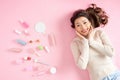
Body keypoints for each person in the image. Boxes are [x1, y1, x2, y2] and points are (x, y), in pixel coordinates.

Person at [70, 3, 120, 80]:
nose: (83, 27)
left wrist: (91, 42)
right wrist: (85, 44)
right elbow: (82, 66)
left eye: (85, 22)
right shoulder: (75, 43)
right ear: (75, 28)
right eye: (78, 25)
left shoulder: (99, 33)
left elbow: (111, 52)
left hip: (115, 75)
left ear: (90, 22)